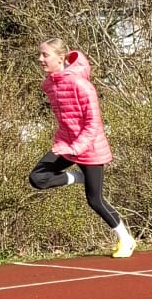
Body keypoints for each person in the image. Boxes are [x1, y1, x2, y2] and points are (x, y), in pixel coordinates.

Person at [29, 40, 136, 258]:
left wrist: (76, 147)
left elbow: (93, 123)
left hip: (91, 148)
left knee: (95, 200)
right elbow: (64, 120)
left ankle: (126, 240)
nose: (40, 59)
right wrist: (62, 142)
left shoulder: (81, 85)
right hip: (67, 145)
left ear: (60, 58)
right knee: (37, 178)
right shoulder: (49, 85)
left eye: (45, 55)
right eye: (40, 55)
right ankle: (78, 177)